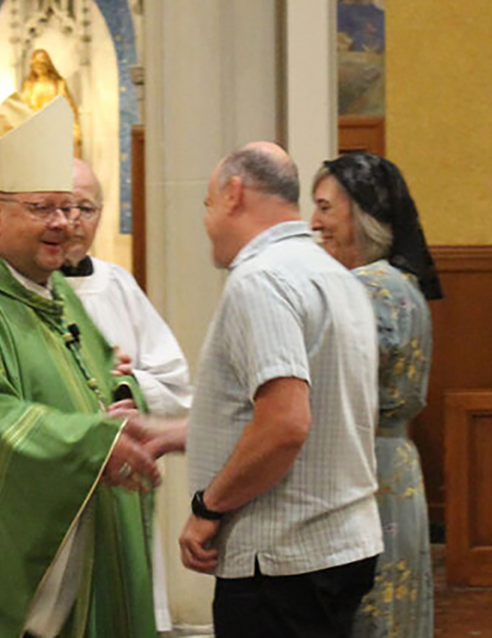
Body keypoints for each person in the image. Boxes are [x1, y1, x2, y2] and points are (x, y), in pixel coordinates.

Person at [0, 95, 161, 638]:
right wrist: (95, 442)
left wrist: (124, 398)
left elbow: (100, 370)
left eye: (70, 208)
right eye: (43, 209)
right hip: (18, 562)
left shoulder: (56, 290)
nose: (64, 224)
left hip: (83, 536)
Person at [182, 142, 382, 637]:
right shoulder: (336, 276)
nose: (207, 221)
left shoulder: (262, 279)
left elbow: (286, 425)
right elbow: (316, 409)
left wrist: (208, 508)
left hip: (282, 557)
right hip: (339, 544)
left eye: (207, 205)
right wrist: (173, 433)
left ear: (233, 194)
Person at [312, 152, 442, 638]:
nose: (314, 222)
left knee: (370, 616)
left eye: (325, 208)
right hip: (392, 466)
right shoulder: (399, 281)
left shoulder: (367, 287)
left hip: (363, 474)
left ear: (362, 214)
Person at [60, 158, 193, 633]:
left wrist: (129, 384)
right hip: (57, 480)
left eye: (87, 208)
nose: (74, 220)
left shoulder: (117, 285)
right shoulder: (24, 291)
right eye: (64, 206)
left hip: (120, 484)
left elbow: (176, 384)